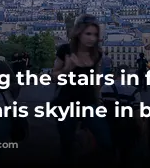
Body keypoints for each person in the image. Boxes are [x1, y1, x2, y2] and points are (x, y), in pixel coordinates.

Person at [51, 14, 113, 165]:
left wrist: (98, 100)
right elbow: (53, 76)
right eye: (88, 34)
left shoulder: (96, 53)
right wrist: (67, 69)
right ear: (78, 32)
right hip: (66, 103)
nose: (92, 38)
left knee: (106, 142)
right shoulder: (65, 50)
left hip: (88, 102)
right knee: (67, 146)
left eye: (95, 34)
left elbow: (95, 78)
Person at [100, 65, 142, 166]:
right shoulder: (133, 90)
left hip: (109, 125)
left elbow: (100, 109)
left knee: (109, 154)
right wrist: (140, 129)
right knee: (126, 155)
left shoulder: (104, 88)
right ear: (127, 75)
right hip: (126, 126)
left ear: (115, 74)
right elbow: (137, 114)